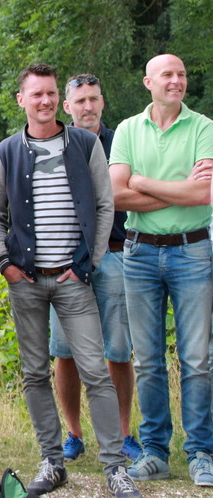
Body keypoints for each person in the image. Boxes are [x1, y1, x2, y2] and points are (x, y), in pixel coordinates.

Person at [0, 63, 140, 496]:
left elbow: (105, 205)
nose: (46, 100)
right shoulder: (6, 152)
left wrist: (89, 261)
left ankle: (115, 467)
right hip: (26, 281)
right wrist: (4, 262)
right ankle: (52, 462)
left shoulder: (85, 144)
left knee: (95, 370)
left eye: (51, 93)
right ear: (21, 99)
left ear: (59, 98)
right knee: (35, 373)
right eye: (36, 94)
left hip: (74, 280)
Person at [109, 53, 213, 487]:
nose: (177, 80)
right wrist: (179, 190)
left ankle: (201, 452)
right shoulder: (128, 130)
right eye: (167, 74)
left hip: (193, 251)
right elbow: (116, 194)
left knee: (197, 359)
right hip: (140, 254)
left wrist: (142, 181)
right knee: (148, 359)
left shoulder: (204, 128)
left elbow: (204, 194)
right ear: (148, 82)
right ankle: (154, 452)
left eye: (182, 74)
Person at [47, 74, 142, 462]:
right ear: (67, 106)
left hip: (115, 255)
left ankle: (123, 434)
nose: (88, 106)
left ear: (102, 102)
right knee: (65, 351)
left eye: (94, 99)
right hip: (65, 261)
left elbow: (131, 190)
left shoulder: (122, 143)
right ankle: (73, 434)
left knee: (118, 350)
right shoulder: (54, 144)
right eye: (80, 100)